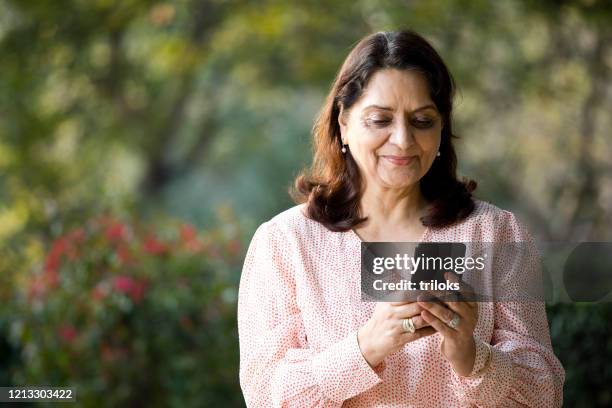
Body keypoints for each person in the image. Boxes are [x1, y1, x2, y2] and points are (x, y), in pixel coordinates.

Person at [237, 29, 565, 407]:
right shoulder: (285, 242)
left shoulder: (495, 233)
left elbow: (545, 395)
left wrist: (472, 356)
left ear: (442, 128)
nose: (403, 140)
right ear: (343, 122)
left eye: (422, 121)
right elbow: (266, 397)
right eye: (380, 120)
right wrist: (366, 346)